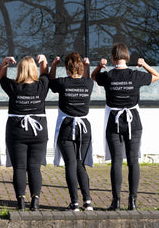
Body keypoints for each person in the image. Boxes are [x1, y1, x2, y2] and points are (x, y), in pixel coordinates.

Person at [91, 43, 159, 211]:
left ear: (113, 57)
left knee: (116, 161)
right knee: (133, 161)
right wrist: (144, 65)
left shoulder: (108, 76)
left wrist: (100, 66)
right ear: (127, 56)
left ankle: (116, 202)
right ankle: (133, 201)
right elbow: (157, 76)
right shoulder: (135, 75)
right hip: (133, 122)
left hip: (114, 122)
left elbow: (94, 77)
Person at [0, 55, 49, 211]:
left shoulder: (13, 87)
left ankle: (20, 201)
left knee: (19, 168)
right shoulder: (42, 86)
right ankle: (35, 201)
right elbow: (46, 74)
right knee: (34, 167)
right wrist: (43, 62)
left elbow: (1, 78)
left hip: (16, 132)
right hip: (38, 132)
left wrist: (5, 63)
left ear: (19, 70)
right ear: (34, 69)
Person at [49, 53, 94, 211]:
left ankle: (74, 202)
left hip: (67, 127)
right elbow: (86, 78)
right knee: (80, 164)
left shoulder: (62, 83)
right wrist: (87, 67)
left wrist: (53, 65)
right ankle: (87, 201)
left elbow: (50, 81)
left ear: (67, 67)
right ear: (81, 66)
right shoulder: (89, 83)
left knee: (70, 164)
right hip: (84, 128)